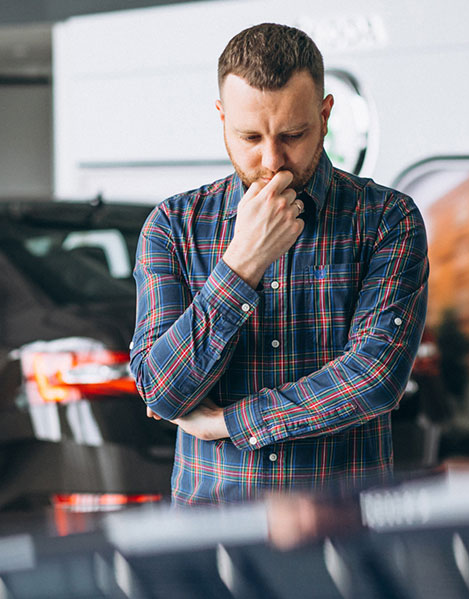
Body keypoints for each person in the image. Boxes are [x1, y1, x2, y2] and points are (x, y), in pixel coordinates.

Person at [130, 24, 428, 505]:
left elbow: (375, 377)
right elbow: (161, 393)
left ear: (326, 115)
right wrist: (243, 263)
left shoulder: (386, 220)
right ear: (222, 117)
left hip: (342, 537)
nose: (272, 160)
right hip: (212, 542)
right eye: (249, 136)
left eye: (293, 134)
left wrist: (229, 422)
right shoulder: (173, 226)